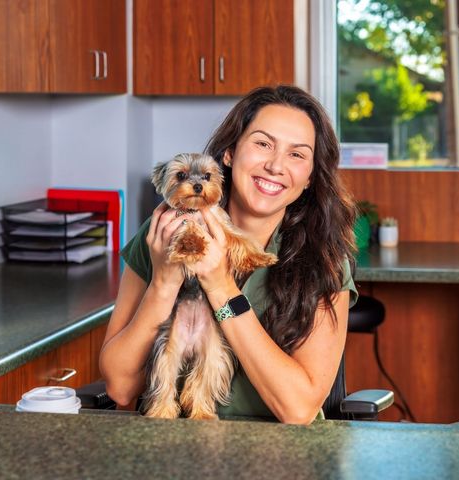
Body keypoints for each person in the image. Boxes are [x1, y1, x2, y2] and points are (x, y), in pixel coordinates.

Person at [99, 85, 357, 424]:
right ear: (230, 153)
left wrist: (220, 287)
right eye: (263, 144)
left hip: (276, 458)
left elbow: (299, 410)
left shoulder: (324, 260)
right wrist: (163, 283)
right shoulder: (162, 233)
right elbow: (120, 387)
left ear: (309, 177)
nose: (276, 165)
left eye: (297, 154)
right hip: (169, 448)